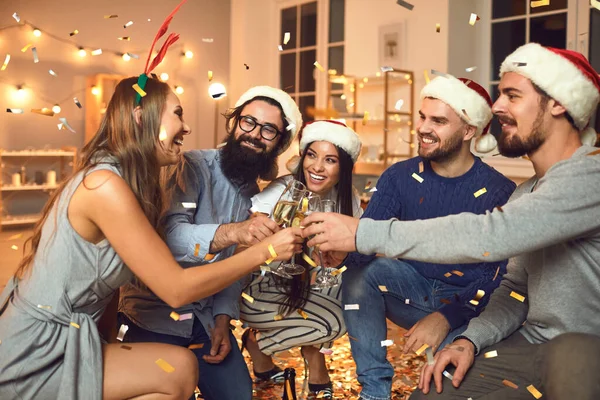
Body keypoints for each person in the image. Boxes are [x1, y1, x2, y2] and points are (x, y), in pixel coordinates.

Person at [302, 43, 600, 400]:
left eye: (512, 96)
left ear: (558, 102)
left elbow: (492, 235)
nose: (498, 106)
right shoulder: (524, 194)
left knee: (570, 355)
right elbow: (514, 290)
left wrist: (363, 232)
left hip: (584, 349)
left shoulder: (591, 175)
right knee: (429, 393)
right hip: (527, 344)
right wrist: (468, 341)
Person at [0, 76, 303, 399]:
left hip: (79, 335)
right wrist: (263, 251)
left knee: (188, 374)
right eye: (178, 114)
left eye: (268, 130)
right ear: (143, 119)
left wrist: (109, 344)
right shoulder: (105, 186)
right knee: (179, 369)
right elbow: (175, 288)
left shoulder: (127, 182)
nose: (186, 127)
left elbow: (109, 284)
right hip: (40, 348)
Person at [117, 85, 303, 400]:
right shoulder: (191, 166)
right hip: (152, 318)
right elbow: (168, 238)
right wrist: (236, 232)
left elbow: (235, 268)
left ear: (280, 142)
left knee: (240, 395)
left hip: (206, 325)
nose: (254, 134)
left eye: (268, 130)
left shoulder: (257, 197)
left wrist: (222, 320)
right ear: (233, 124)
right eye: (248, 122)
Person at [340, 76, 516, 400]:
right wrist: (340, 253)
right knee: (357, 277)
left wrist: (445, 318)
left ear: (468, 131)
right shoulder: (397, 177)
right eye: (422, 116)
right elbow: (365, 248)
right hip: (409, 287)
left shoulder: (500, 191)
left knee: (442, 390)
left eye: (438, 120)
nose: (423, 127)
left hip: (469, 308)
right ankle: (374, 391)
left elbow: (498, 280)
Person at [239, 120, 363, 399]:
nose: (317, 167)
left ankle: (258, 343)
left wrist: (338, 256)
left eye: (329, 160)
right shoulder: (282, 189)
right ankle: (310, 354)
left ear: (342, 168)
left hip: (307, 285)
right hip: (262, 286)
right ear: (302, 156)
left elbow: (352, 253)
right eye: (312, 155)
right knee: (332, 322)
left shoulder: (348, 199)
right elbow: (246, 249)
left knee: (352, 299)